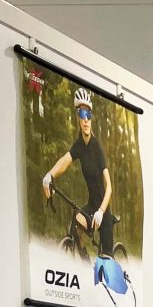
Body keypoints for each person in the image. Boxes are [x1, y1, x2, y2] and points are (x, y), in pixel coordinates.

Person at [41, 87, 115, 258]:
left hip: (103, 210)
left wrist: (101, 211)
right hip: (91, 205)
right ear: (77, 117)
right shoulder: (79, 146)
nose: (86, 119)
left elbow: (109, 187)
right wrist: (49, 175)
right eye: (82, 114)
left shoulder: (97, 147)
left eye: (89, 114)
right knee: (75, 225)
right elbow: (64, 161)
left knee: (106, 261)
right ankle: (84, 261)